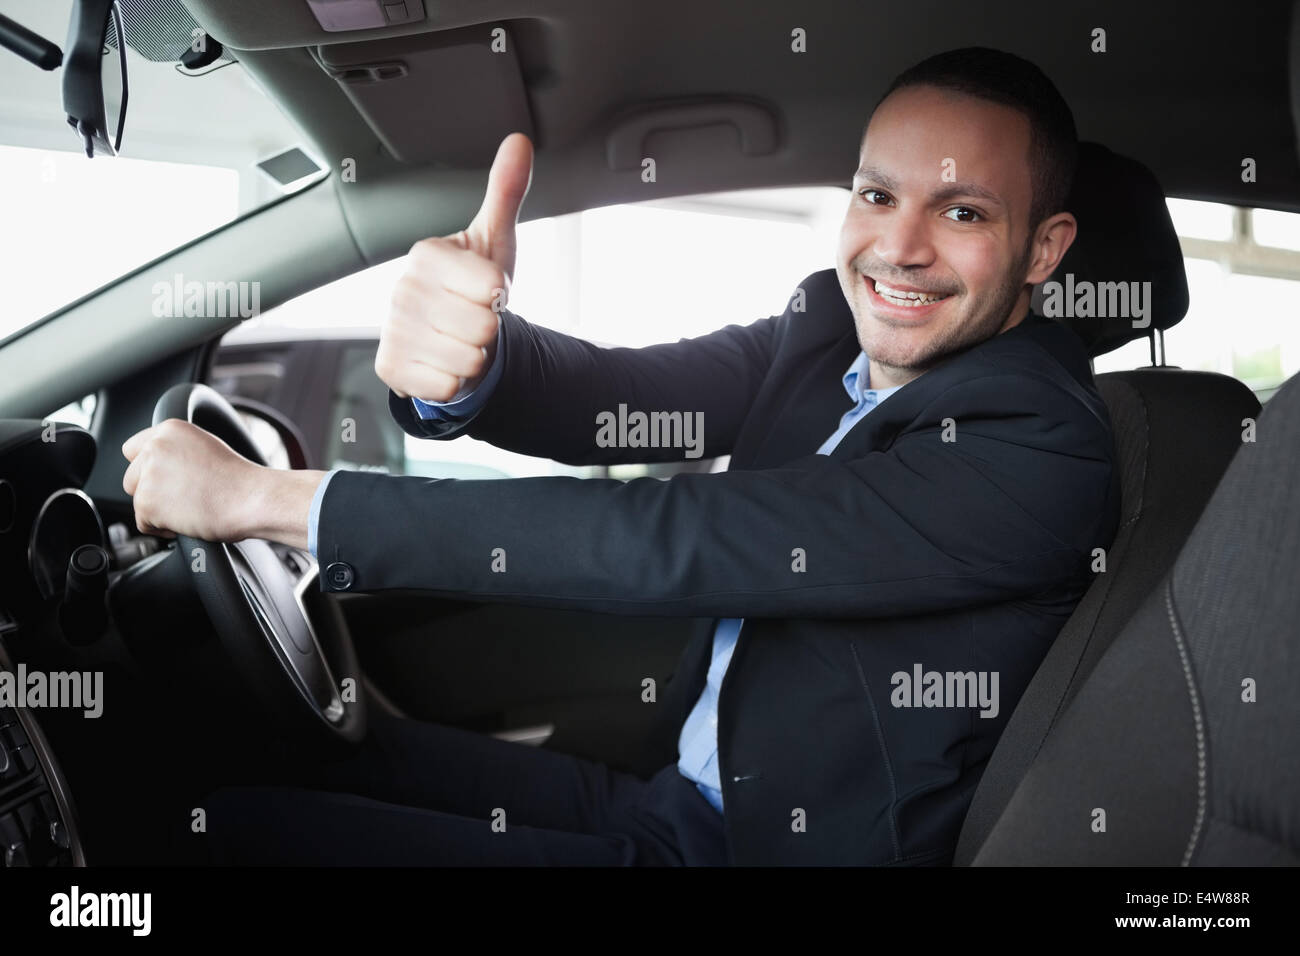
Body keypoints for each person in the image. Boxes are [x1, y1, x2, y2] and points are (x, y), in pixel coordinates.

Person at [121, 47, 1119, 865]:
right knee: (295, 763)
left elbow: (669, 536)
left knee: (237, 839)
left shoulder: (1037, 444)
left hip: (759, 851)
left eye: (962, 211)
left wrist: (265, 499)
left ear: (1043, 249)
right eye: (876, 194)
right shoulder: (826, 332)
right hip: (676, 797)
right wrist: (469, 366)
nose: (897, 247)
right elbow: (620, 400)